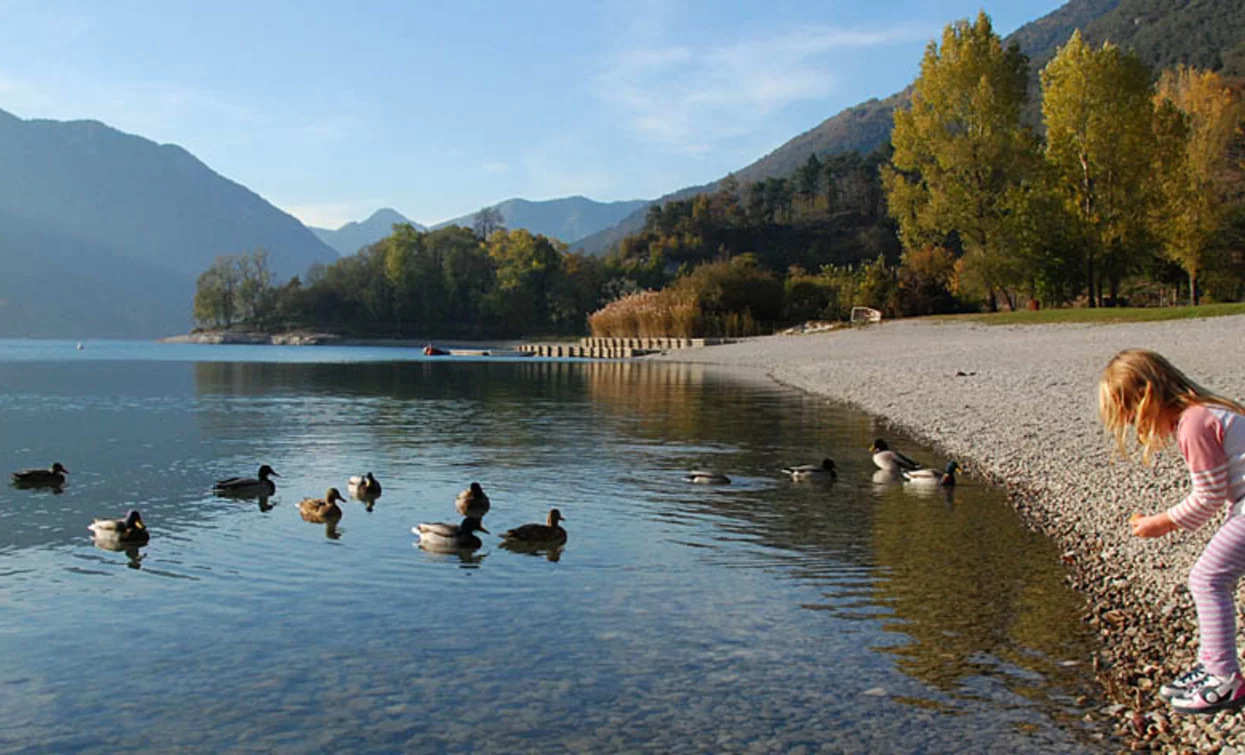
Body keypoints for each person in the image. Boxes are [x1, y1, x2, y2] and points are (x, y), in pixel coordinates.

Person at [1098, 349, 1245, 715]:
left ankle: (1223, 677)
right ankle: (1211, 665)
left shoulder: (1194, 424)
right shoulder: (1207, 410)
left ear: (1148, 396)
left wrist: (1160, 523)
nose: (1133, 425)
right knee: (1211, 577)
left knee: (1208, 579)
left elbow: (1208, 495)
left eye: (1131, 415)